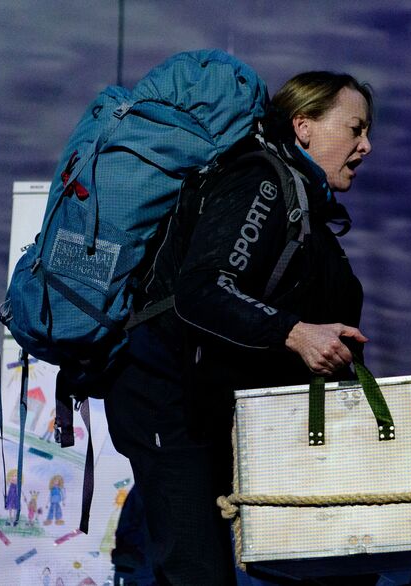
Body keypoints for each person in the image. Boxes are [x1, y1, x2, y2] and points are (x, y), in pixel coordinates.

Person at [103, 71, 374, 585]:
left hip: (210, 411)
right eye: (355, 128)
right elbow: (203, 291)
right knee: (196, 572)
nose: (367, 145)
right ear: (305, 126)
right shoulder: (262, 181)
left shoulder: (305, 207)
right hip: (165, 396)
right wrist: (297, 333)